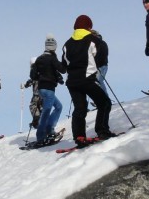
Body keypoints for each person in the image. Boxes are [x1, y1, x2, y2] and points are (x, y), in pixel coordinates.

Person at [61, 15, 114, 146]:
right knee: (104, 103)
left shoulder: (67, 44)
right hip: (87, 80)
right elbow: (101, 56)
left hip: (72, 82)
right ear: (89, 26)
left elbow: (64, 63)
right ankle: (102, 130)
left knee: (80, 108)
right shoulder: (92, 40)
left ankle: (79, 136)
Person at [31, 34, 65, 146]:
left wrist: (42, 76)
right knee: (46, 112)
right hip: (49, 88)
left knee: (58, 106)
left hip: (41, 88)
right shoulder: (52, 58)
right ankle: (41, 136)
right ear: (54, 47)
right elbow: (63, 70)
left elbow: (33, 75)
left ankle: (48, 130)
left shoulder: (39, 59)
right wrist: (64, 59)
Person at [22, 57, 42, 129]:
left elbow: (32, 80)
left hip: (37, 94)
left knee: (33, 106)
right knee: (42, 108)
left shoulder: (34, 70)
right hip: (45, 93)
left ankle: (37, 119)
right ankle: (44, 123)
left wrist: (25, 85)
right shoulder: (43, 69)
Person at [91, 28, 110, 99]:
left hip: (102, 65)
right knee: (94, 82)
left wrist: (97, 61)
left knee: (98, 81)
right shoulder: (93, 45)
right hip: (96, 66)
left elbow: (104, 54)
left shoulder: (101, 43)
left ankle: (105, 98)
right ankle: (100, 99)